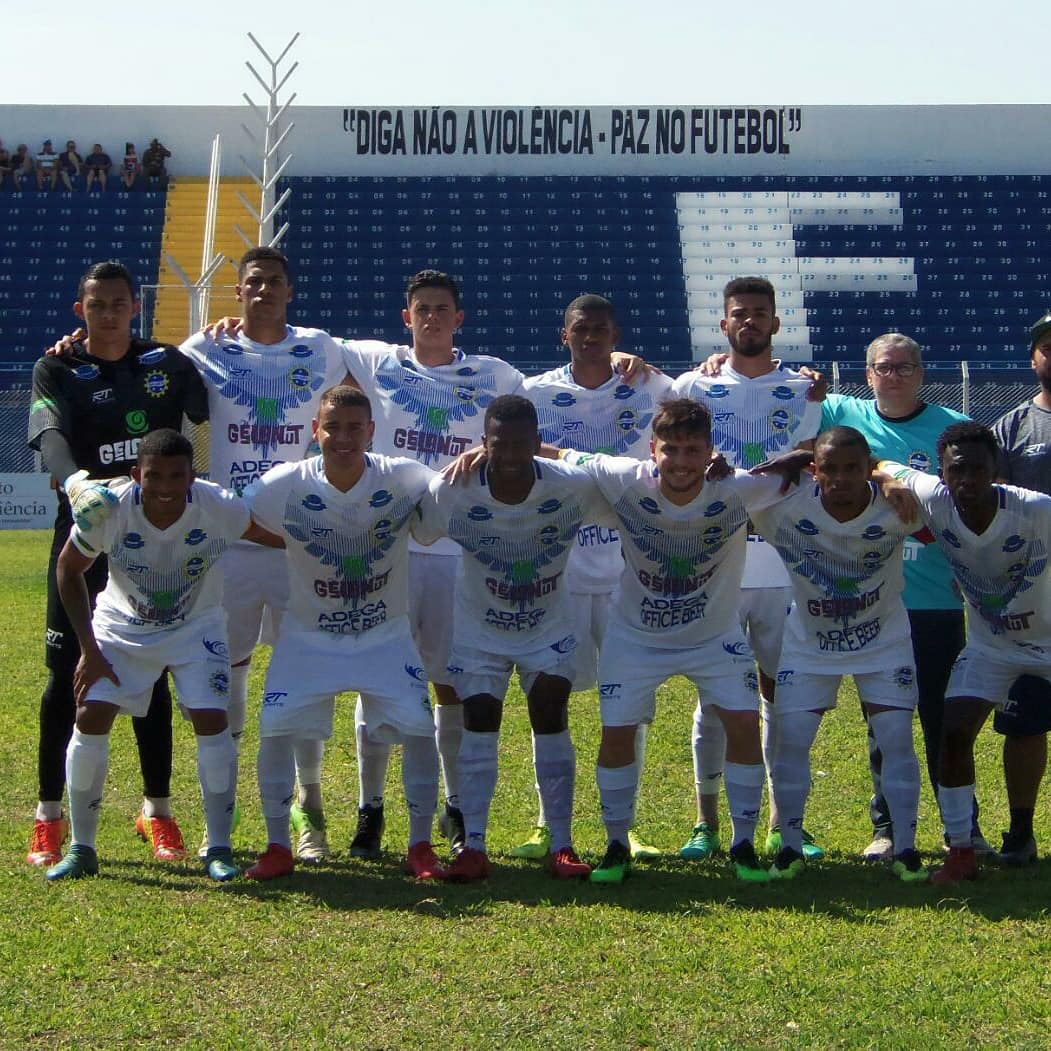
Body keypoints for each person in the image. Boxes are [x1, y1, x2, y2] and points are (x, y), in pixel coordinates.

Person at [560, 398, 793, 884]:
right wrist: (488, 454)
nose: (681, 461)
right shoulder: (623, 477)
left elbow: (813, 468)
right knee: (617, 732)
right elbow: (561, 454)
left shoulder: (737, 488)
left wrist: (799, 457)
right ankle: (616, 844)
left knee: (744, 723)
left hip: (713, 637)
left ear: (710, 452)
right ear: (652, 449)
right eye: (671, 450)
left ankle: (743, 843)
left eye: (692, 450)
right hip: (636, 636)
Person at [27, 261, 209, 868]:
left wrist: (228, 327)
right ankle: (48, 818)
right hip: (84, 526)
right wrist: (74, 481)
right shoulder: (56, 366)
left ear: (136, 306)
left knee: (150, 672)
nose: (108, 313)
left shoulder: (167, 363)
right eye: (96, 304)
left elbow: (211, 411)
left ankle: (157, 812)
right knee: (67, 676)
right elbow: (48, 434)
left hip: (156, 536)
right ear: (81, 310)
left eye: (118, 303)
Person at [241, 386, 447, 882]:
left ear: (371, 432)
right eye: (333, 427)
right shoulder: (286, 483)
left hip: (385, 635)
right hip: (309, 638)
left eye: (355, 427)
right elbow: (235, 516)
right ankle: (277, 846)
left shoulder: (404, 476)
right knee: (274, 729)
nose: (344, 437)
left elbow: (447, 497)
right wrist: (292, 541)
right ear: (316, 431)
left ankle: (421, 844)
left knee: (421, 731)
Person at [46, 429, 270, 882]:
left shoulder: (220, 506)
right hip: (122, 627)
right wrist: (89, 650)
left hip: (196, 629)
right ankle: (82, 848)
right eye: (154, 476)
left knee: (213, 719)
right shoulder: (107, 508)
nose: (166, 487)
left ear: (193, 476)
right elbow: (68, 570)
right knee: (90, 714)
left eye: (176, 476)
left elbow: (271, 534)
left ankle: (219, 848)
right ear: (136, 474)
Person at [416, 395, 606, 881]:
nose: (511, 453)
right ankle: (473, 845)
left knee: (550, 713)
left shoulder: (571, 487)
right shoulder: (452, 489)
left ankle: (561, 843)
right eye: (500, 443)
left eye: (522, 443)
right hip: (480, 629)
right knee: (479, 720)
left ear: (538, 443)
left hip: (549, 627)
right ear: (483, 443)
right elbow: (415, 529)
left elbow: (629, 486)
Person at [514, 294, 675, 864]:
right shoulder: (533, 394)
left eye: (602, 330)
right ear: (565, 335)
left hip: (627, 571)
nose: (591, 337)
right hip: (555, 571)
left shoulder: (649, 386)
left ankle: (624, 823)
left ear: (616, 335)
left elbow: (701, 403)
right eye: (581, 330)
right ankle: (545, 819)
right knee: (546, 697)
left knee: (627, 699)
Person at [819, 333, 989, 859]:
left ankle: (963, 827)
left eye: (905, 367)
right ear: (866, 374)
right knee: (884, 722)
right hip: (873, 602)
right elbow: (771, 384)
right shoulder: (838, 414)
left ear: (921, 372)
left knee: (946, 721)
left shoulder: (948, 428)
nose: (894, 376)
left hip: (936, 599)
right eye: (884, 368)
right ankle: (887, 826)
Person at [672, 276, 823, 863]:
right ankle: (708, 822)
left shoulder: (806, 389)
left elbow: (818, 455)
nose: (750, 322)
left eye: (760, 313)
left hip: (785, 564)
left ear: (776, 323)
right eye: (740, 314)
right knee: (715, 695)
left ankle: (790, 823)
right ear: (725, 323)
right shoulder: (695, 385)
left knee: (782, 694)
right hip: (717, 562)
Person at [752, 427, 927, 882]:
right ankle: (788, 844)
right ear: (815, 471)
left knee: (896, 741)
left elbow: (942, 523)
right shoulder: (784, 510)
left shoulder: (899, 508)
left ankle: (906, 849)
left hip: (884, 642)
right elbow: (735, 489)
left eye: (854, 468)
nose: (842, 478)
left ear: (869, 467)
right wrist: (787, 459)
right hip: (808, 646)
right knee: (791, 743)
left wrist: (890, 477)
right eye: (830, 468)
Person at [879, 422, 1051, 884]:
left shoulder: (1035, 511)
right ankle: (960, 849)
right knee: (953, 732)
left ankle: (1020, 833)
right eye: (957, 471)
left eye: (978, 470)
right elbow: (882, 466)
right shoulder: (934, 497)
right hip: (991, 647)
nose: (968, 481)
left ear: (996, 469)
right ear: (941, 471)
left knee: (1026, 728)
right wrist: (892, 482)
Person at [989, 311, 1051, 866]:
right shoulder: (1012, 429)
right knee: (1028, 719)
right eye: (1048, 346)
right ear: (1034, 358)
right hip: (1031, 598)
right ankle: (1021, 830)